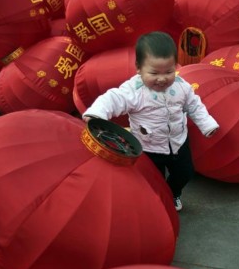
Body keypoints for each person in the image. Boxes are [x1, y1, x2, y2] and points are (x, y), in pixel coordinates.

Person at [82, 31, 219, 212]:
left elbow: (194, 105)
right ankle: (158, 199)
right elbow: (113, 99)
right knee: (154, 178)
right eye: (154, 73)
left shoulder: (181, 86)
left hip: (178, 141)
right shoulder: (134, 90)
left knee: (185, 172)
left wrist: (207, 124)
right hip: (149, 146)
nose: (162, 79)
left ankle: (173, 192)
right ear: (139, 67)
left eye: (169, 71)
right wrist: (96, 114)